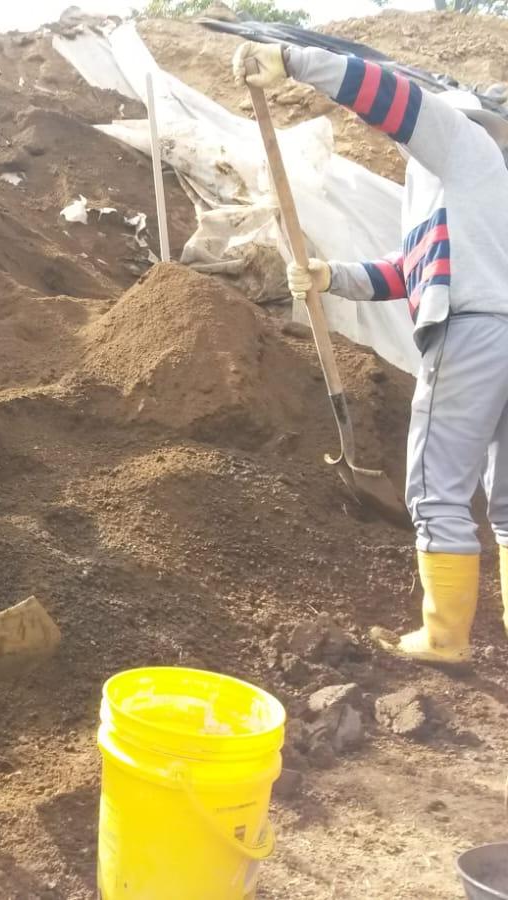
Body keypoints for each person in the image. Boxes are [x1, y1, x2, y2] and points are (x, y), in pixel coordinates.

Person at [234, 41, 508, 667]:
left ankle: (443, 638)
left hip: (474, 332)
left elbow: (397, 99)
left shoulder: (463, 146)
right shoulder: (475, 192)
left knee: (436, 486)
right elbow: (410, 270)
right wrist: (334, 277)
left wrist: (293, 59)